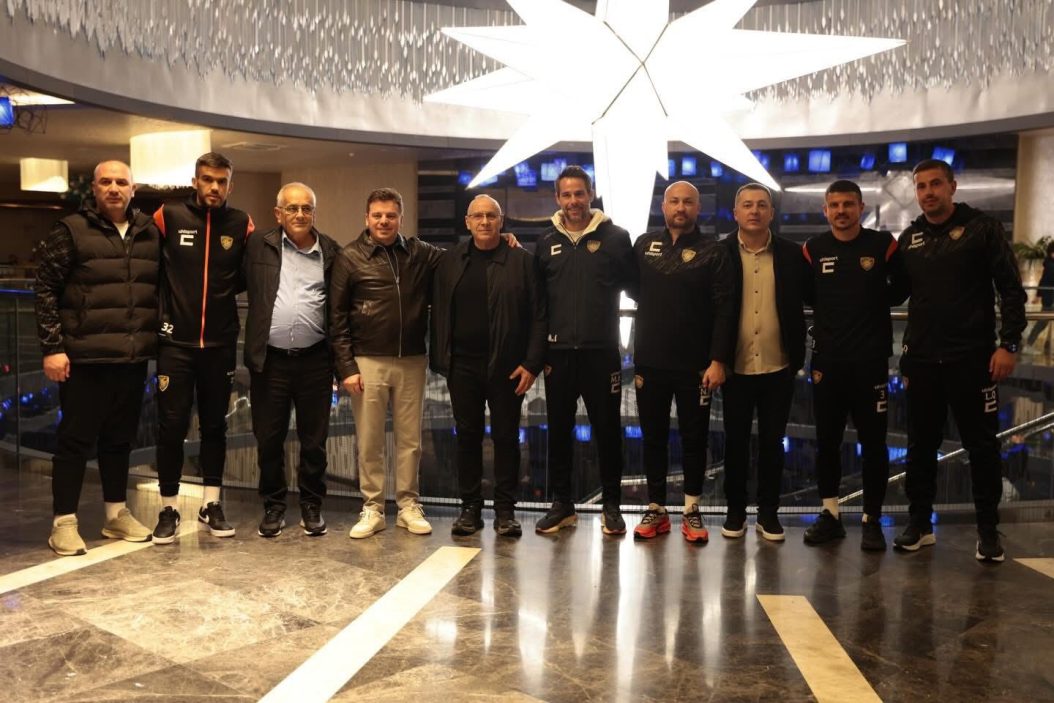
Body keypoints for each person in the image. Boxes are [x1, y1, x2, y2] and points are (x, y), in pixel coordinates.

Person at [892, 158, 1026, 562]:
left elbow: (1011, 289)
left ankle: (988, 532)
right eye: (921, 186)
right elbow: (893, 293)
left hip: (973, 361)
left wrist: (1009, 345)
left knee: (982, 448)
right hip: (921, 362)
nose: (928, 192)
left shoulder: (982, 229)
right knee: (919, 448)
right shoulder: (910, 238)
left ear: (952, 186)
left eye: (935, 184)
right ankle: (919, 525)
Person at [34, 160, 159, 555]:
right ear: (94, 188)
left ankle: (115, 514)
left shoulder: (149, 232)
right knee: (74, 442)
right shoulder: (70, 230)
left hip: (132, 358)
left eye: (122, 182)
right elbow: (45, 289)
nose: (114, 188)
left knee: (119, 441)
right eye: (106, 181)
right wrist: (53, 348)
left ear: (133, 189)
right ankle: (64, 523)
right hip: (83, 358)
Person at [151, 152, 255, 544]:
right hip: (175, 343)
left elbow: (246, 275)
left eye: (221, 181)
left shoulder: (242, 223)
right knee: (171, 426)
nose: (214, 187)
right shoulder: (168, 216)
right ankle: (168, 508)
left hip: (219, 343)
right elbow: (149, 270)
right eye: (207, 179)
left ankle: (211, 504)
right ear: (195, 181)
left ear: (230, 184)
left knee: (215, 426)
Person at [329, 188, 444, 539]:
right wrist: (346, 367)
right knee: (370, 440)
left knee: (411, 440)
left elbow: (458, 260)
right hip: (367, 360)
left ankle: (408, 506)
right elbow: (336, 317)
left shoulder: (419, 253)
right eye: (377, 215)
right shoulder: (349, 257)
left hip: (412, 359)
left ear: (400, 218)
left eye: (390, 215)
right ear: (367, 218)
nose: (384, 221)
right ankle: (373, 508)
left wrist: (505, 241)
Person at [430, 195, 546, 538]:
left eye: (491, 216)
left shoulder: (522, 262)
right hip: (461, 366)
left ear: (501, 220)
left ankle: (506, 512)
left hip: (508, 368)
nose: (484, 221)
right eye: (477, 216)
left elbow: (540, 315)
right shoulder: (449, 261)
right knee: (467, 436)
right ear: (467, 222)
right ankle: (470, 509)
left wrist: (532, 363)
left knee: (506, 437)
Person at [629, 181, 735, 543]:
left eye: (688, 202)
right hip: (650, 361)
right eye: (674, 201)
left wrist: (718, 360)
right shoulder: (644, 245)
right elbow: (632, 288)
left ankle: (691, 510)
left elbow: (725, 309)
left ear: (698, 208)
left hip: (696, 366)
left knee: (694, 438)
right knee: (653, 438)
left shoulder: (714, 251)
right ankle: (656, 509)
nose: (680, 207)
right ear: (663, 206)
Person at [533, 165, 636, 535]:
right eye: (567, 194)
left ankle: (612, 505)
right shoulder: (545, 242)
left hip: (601, 353)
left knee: (607, 431)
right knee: (559, 432)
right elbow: (538, 304)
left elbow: (639, 287)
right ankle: (562, 504)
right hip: (558, 355)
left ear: (590, 194)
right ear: (557, 198)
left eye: (579, 193)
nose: (573, 201)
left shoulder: (616, 238)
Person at [801, 179, 901, 550]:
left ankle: (872, 519)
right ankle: (830, 515)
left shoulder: (883, 244)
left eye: (848, 204)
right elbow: (807, 294)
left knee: (874, 444)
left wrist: (870, 301)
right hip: (827, 362)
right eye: (834, 205)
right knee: (826, 442)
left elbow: (902, 288)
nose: (841, 211)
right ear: (825, 210)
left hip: (870, 362)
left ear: (861, 207)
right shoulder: (812, 249)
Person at [244, 183, 340, 538]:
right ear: (278, 213)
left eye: (306, 208)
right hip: (270, 361)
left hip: (316, 360)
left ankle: (312, 505)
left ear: (314, 212)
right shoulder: (258, 245)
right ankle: (274, 505)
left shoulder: (331, 251)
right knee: (269, 439)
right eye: (292, 208)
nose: (300, 214)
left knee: (314, 441)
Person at [720, 183, 808, 542]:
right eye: (747, 205)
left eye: (761, 205)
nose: (754, 211)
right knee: (735, 443)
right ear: (735, 213)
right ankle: (735, 513)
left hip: (779, 364)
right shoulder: (720, 252)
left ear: (771, 213)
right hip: (734, 366)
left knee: (773, 443)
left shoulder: (792, 254)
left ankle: (768, 514)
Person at [1025, 240, 1054, 350]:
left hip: (1049, 298)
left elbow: (1043, 281)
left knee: (1042, 322)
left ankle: (1030, 344)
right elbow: (1045, 281)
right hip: (1050, 299)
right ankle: (1029, 344)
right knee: (1042, 322)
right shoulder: (1051, 266)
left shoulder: (1049, 264)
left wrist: (1038, 295)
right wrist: (1038, 295)